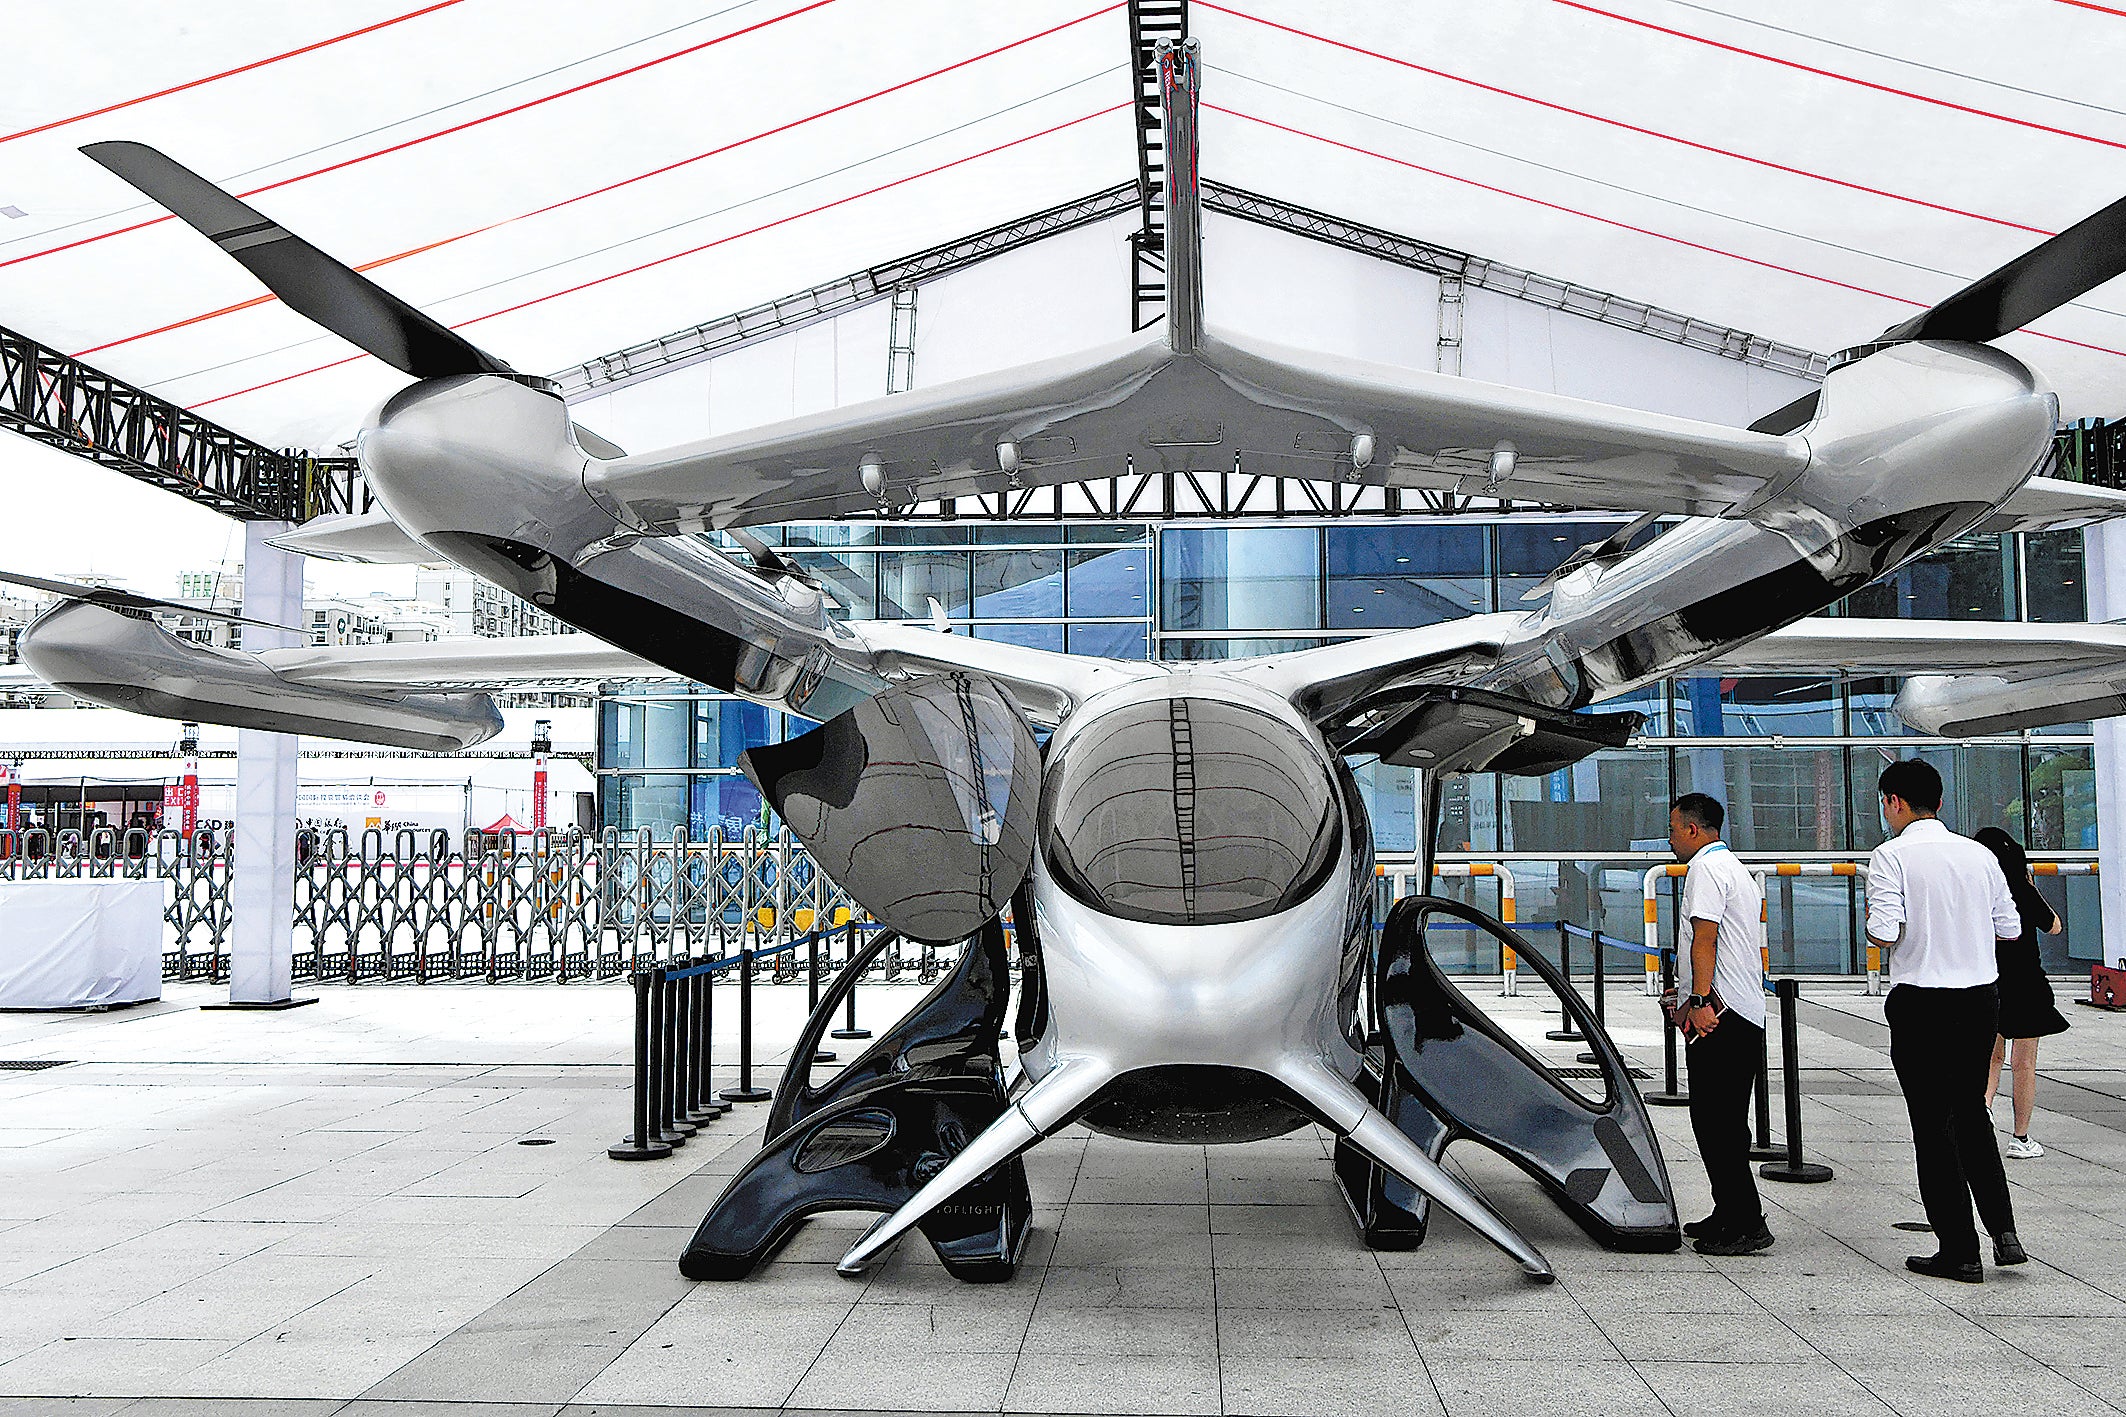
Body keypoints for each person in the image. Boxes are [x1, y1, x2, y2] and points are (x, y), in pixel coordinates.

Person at [1865, 760, 2026, 1283]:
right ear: (1939, 801)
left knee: (1933, 1127)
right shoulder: (1978, 855)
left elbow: (1884, 932)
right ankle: (2004, 1232)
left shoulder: (1890, 856)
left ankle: (1958, 1247)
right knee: (1973, 1116)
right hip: (1980, 999)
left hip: (1922, 1002)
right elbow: (2010, 927)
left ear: (1894, 801)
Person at [1666, 792, 1772, 1256]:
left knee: (1717, 1123)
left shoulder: (1706, 871)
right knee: (1724, 1122)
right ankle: (1727, 1210)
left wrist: (1699, 1000)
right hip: (1743, 1012)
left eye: (1672, 830)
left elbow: (1704, 940)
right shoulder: (1734, 868)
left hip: (1722, 1016)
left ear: (1692, 829)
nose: (1669, 839)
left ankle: (1747, 1222)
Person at [1974, 827, 2071, 1159]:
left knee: (1991, 1055)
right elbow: (2054, 925)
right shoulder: (2021, 891)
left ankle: (1982, 1110)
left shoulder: (1979, 892)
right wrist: (2031, 888)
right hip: (2028, 984)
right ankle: (2021, 1138)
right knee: (2024, 1063)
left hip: (1989, 980)